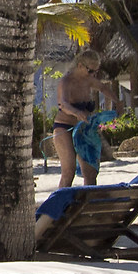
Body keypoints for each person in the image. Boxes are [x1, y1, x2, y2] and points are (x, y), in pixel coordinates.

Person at [52, 49, 107, 190]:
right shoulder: (67, 81)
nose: (93, 75)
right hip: (64, 127)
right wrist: (76, 112)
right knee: (68, 172)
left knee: (90, 173)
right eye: (90, 71)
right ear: (81, 66)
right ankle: (59, 207)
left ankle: (89, 206)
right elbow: (63, 104)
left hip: (83, 130)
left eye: (96, 71)